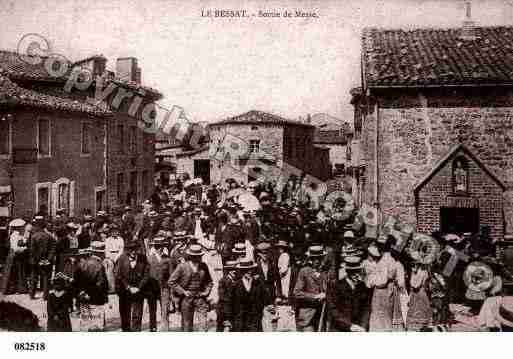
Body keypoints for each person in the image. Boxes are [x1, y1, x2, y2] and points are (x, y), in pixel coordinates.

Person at [168, 244, 213, 331]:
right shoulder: (182, 267)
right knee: (187, 325)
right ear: (191, 257)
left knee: (203, 325)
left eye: (199, 256)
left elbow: (209, 282)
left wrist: (206, 292)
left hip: (200, 298)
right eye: (196, 256)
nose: (198, 258)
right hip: (186, 298)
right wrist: (183, 291)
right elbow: (171, 281)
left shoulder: (203, 266)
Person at [327, 256, 370, 331]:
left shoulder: (362, 286)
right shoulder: (336, 286)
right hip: (340, 328)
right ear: (347, 271)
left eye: (358, 271)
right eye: (353, 271)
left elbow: (366, 308)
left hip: (359, 328)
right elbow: (333, 310)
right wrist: (349, 326)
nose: (356, 274)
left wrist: (363, 326)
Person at [73, 242, 109, 331]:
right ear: (100, 252)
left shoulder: (81, 264)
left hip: (83, 297)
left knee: (85, 323)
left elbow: (75, 282)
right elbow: (101, 284)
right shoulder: (100, 265)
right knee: (97, 325)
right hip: (96, 298)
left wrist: (81, 293)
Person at [115, 241, 150, 332]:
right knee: (125, 314)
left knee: (137, 314)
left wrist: (139, 287)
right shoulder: (122, 259)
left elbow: (146, 275)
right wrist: (128, 287)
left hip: (138, 291)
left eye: (135, 249)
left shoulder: (143, 258)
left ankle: (136, 330)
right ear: (127, 250)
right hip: (125, 291)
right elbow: (119, 275)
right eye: (131, 250)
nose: (133, 252)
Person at [293, 245, 328, 331]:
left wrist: (326, 294)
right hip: (307, 316)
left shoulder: (325, 272)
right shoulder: (304, 271)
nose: (317, 261)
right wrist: (315, 296)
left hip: (322, 316)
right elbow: (297, 292)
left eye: (319, 258)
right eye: (314, 258)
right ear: (310, 259)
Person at [229, 259, 271, 332]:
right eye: (246, 270)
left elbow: (266, 299)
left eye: (251, 269)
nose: (249, 272)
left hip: (255, 321)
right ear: (242, 271)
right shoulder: (235, 285)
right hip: (240, 321)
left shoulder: (258, 284)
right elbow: (231, 304)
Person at [146, 236, 170, 331]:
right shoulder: (149, 258)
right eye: (157, 246)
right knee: (153, 308)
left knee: (165, 308)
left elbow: (170, 273)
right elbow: (146, 274)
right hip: (152, 287)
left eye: (160, 246)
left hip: (164, 287)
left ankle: (165, 326)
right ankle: (153, 327)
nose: (159, 248)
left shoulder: (167, 259)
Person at [28, 216, 55, 300]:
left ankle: (32, 294)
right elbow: (53, 249)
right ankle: (45, 296)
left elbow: (32, 250)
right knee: (46, 277)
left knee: (34, 277)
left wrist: (37, 259)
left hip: (35, 261)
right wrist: (48, 259)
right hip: (46, 260)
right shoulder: (49, 236)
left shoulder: (34, 236)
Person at [406, 260, 433, 331]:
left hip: (419, 293)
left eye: (415, 264)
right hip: (420, 293)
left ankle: (419, 327)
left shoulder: (422, 272)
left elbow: (415, 285)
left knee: (419, 310)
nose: (414, 265)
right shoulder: (423, 272)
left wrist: (414, 274)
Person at [6, 218, 28, 295]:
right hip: (15, 256)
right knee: (16, 272)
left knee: (19, 272)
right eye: (22, 226)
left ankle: (19, 288)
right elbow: (15, 248)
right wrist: (24, 248)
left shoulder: (18, 235)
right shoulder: (14, 235)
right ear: (18, 227)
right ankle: (16, 288)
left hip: (18, 257)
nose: (23, 228)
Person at [216, 260, 238, 332]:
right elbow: (222, 296)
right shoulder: (223, 281)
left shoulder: (237, 280)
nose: (234, 271)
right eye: (232, 269)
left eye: (236, 269)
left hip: (234, 309)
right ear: (228, 271)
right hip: (224, 310)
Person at [104, 224, 124, 293]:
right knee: (109, 270)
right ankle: (112, 288)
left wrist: (116, 258)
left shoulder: (121, 239)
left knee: (119, 271)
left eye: (115, 231)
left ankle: (120, 287)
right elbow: (106, 250)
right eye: (112, 231)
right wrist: (110, 258)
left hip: (118, 255)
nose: (114, 232)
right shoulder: (108, 240)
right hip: (110, 256)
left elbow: (121, 250)